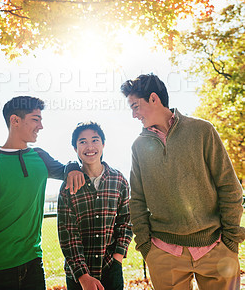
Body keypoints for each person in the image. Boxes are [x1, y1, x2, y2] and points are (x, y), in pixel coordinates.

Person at [120, 73, 245, 290]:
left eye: (135, 106)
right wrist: (146, 247)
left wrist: (230, 240)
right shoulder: (138, 146)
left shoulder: (202, 130)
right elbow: (137, 200)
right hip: (164, 254)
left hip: (215, 248)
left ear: (153, 98)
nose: (133, 114)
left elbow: (229, 186)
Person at [0, 96, 85, 290]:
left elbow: (65, 169)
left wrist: (72, 166)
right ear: (15, 120)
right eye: (36, 119)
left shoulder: (40, 156)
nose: (41, 126)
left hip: (34, 263)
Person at [57, 122, 133, 290]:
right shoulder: (68, 187)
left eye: (95, 140)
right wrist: (83, 276)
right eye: (82, 142)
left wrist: (118, 257)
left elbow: (126, 221)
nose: (89, 146)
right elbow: (67, 233)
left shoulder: (118, 180)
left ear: (103, 144)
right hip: (78, 275)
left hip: (110, 268)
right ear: (75, 148)